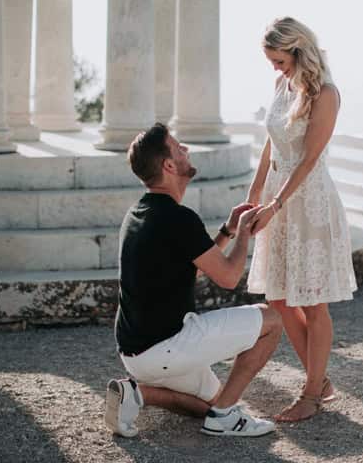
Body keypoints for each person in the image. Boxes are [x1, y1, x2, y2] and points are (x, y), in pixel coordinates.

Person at [104, 123, 283, 438]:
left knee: (209, 404)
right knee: (272, 320)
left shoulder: (139, 212)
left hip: (136, 354)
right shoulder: (179, 218)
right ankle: (225, 417)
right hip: (167, 347)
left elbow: (193, 267)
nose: (185, 149)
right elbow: (228, 278)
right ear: (169, 165)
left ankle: (138, 393)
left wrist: (227, 231)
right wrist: (243, 234)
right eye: (177, 147)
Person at [245, 17, 358, 422]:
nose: (275, 68)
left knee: (312, 301)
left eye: (278, 60)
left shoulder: (325, 93)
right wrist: (254, 194)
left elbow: (309, 158)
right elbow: (270, 145)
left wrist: (275, 203)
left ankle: (311, 394)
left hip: (308, 203)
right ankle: (320, 379)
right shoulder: (282, 85)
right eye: (272, 62)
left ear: (297, 51)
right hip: (277, 198)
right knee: (277, 295)